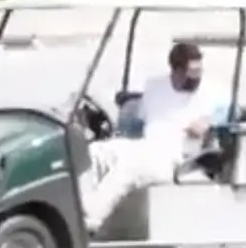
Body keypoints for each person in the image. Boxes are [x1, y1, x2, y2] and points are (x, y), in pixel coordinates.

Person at [80, 43, 224, 233]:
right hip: (147, 145)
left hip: (177, 158)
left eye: (200, 71)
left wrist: (210, 121)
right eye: (192, 72)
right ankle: (81, 205)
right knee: (93, 152)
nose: (197, 78)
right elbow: (138, 119)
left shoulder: (210, 92)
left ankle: (91, 217)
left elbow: (231, 112)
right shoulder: (155, 86)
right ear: (177, 70)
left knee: (129, 166)